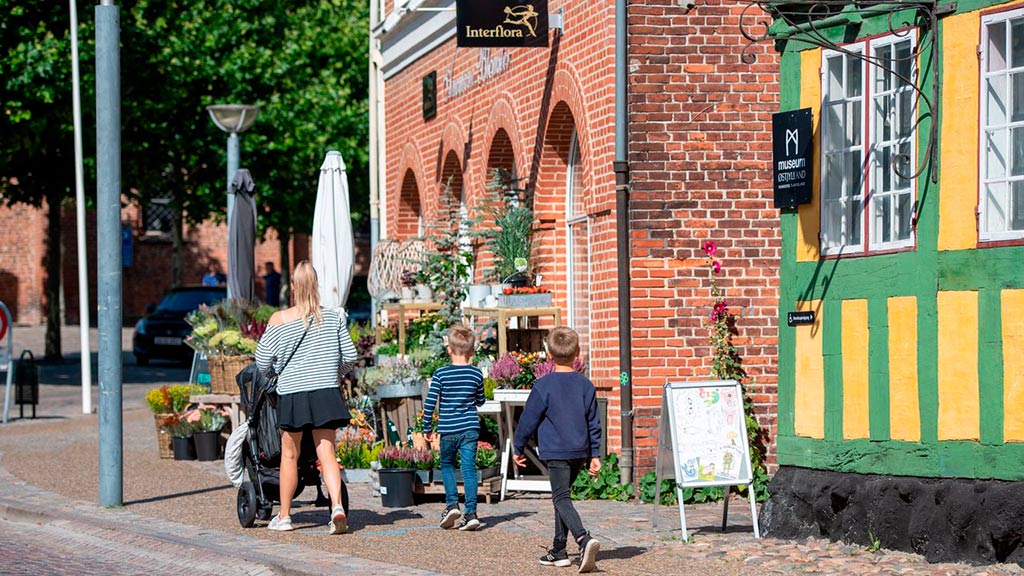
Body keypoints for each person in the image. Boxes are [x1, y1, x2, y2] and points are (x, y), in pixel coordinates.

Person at [254, 260, 357, 534]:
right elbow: (350, 356)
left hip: (293, 394)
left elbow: (262, 361)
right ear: (316, 285)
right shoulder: (334, 316)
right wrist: (335, 374)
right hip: (325, 392)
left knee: (290, 455)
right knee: (327, 454)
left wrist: (275, 374)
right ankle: (337, 507)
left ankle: (285, 516)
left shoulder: (280, 320)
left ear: (293, 288)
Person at [514, 327, 602, 572]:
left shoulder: (543, 386)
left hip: (556, 451)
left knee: (560, 497)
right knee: (561, 496)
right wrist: (595, 455)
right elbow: (594, 422)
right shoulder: (586, 385)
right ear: (578, 352)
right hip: (579, 452)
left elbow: (528, 420)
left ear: (548, 353)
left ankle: (583, 539)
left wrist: (518, 447)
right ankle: (558, 550)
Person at [422, 324, 485, 531]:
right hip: (470, 428)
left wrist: (426, 427)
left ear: (449, 349)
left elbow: (430, 402)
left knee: (447, 465)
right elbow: (481, 401)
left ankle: (451, 505)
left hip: (448, 428)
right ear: (472, 351)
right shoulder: (476, 374)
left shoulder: (440, 374)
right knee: (469, 470)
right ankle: (472, 513)